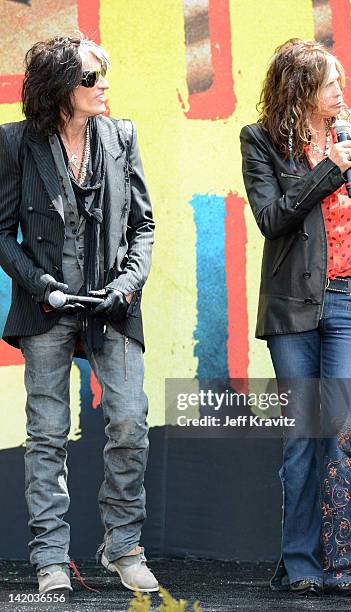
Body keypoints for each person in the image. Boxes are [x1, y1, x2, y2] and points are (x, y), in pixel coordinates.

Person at [240, 39, 351, 597]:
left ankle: (341, 561)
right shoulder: (262, 141)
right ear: (302, 91)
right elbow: (272, 217)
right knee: (302, 434)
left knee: (341, 428)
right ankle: (301, 562)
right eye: (330, 82)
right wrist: (328, 171)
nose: (342, 90)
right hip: (294, 307)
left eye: (340, 79)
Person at [0, 35, 158, 594]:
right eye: (91, 78)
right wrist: (38, 282)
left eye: (104, 74)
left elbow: (143, 227)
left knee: (129, 422)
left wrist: (127, 283)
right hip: (47, 307)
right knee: (46, 432)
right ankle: (49, 558)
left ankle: (125, 547)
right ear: (60, 88)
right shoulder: (16, 142)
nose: (103, 85)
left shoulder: (122, 136)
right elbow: (1, 232)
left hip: (114, 306)